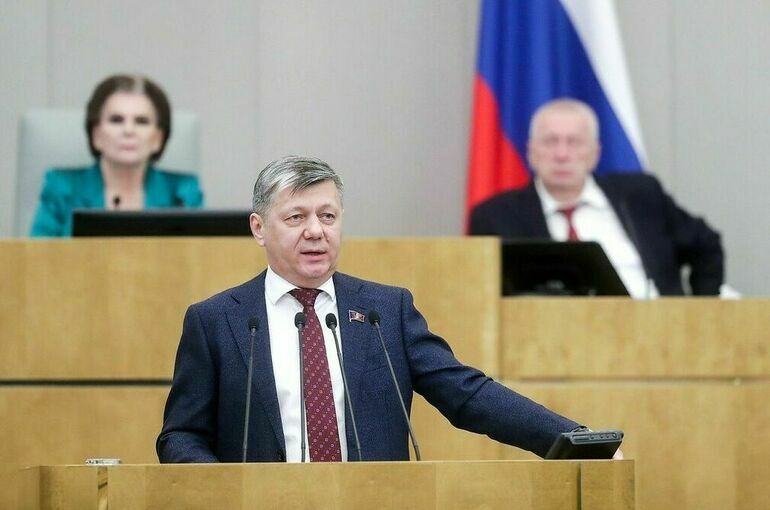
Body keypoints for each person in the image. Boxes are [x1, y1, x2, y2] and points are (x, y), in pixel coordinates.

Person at [157, 155, 589, 463]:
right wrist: (225, 490)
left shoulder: (386, 311)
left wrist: (571, 439)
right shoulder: (217, 321)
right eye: (296, 218)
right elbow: (181, 435)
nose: (315, 231)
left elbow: (468, 394)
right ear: (259, 228)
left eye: (328, 216)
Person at [469, 98, 724, 297]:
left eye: (574, 142)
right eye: (550, 141)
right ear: (531, 153)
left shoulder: (640, 195)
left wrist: (699, 313)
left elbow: (706, 244)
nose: (562, 154)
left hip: (658, 336)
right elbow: (480, 291)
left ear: (595, 153)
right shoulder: (495, 216)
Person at [29, 74, 203, 237]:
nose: (128, 130)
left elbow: (202, 255)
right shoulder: (62, 189)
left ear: (158, 138)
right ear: (96, 135)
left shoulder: (182, 193)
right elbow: (37, 255)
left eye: (141, 121)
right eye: (116, 120)